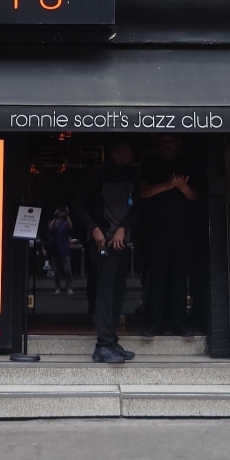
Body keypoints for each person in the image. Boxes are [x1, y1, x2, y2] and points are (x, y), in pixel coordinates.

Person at [72, 141, 139, 364]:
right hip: (101, 241)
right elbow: (77, 202)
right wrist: (94, 229)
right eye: (128, 149)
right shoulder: (98, 174)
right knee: (105, 292)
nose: (132, 153)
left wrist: (123, 228)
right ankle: (103, 345)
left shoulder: (130, 174)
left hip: (120, 240)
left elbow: (137, 207)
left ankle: (112, 340)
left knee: (117, 293)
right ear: (116, 152)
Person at [139, 135, 198, 335]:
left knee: (180, 279)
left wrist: (183, 187)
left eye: (171, 141)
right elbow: (141, 192)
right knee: (156, 278)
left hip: (182, 231)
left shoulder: (188, 164)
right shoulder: (150, 165)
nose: (167, 144)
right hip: (155, 231)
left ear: (179, 143)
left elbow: (196, 196)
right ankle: (154, 322)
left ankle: (180, 321)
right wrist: (165, 185)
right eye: (164, 140)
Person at [47, 207, 74, 295]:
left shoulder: (65, 223)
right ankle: (57, 287)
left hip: (64, 248)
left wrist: (67, 215)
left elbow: (70, 226)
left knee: (67, 269)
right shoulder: (53, 222)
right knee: (56, 270)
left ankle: (69, 287)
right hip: (55, 249)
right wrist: (55, 218)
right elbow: (51, 228)